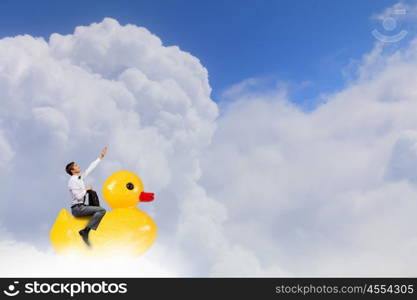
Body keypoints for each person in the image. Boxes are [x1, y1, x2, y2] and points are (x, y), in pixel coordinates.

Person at [65, 147, 108, 247]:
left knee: (93, 195)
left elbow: (90, 168)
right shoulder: (72, 181)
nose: (78, 166)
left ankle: (89, 227)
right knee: (102, 210)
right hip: (78, 208)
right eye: (76, 166)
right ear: (72, 170)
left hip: (82, 206)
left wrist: (100, 157)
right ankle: (85, 231)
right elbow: (78, 196)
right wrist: (86, 189)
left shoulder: (79, 178)